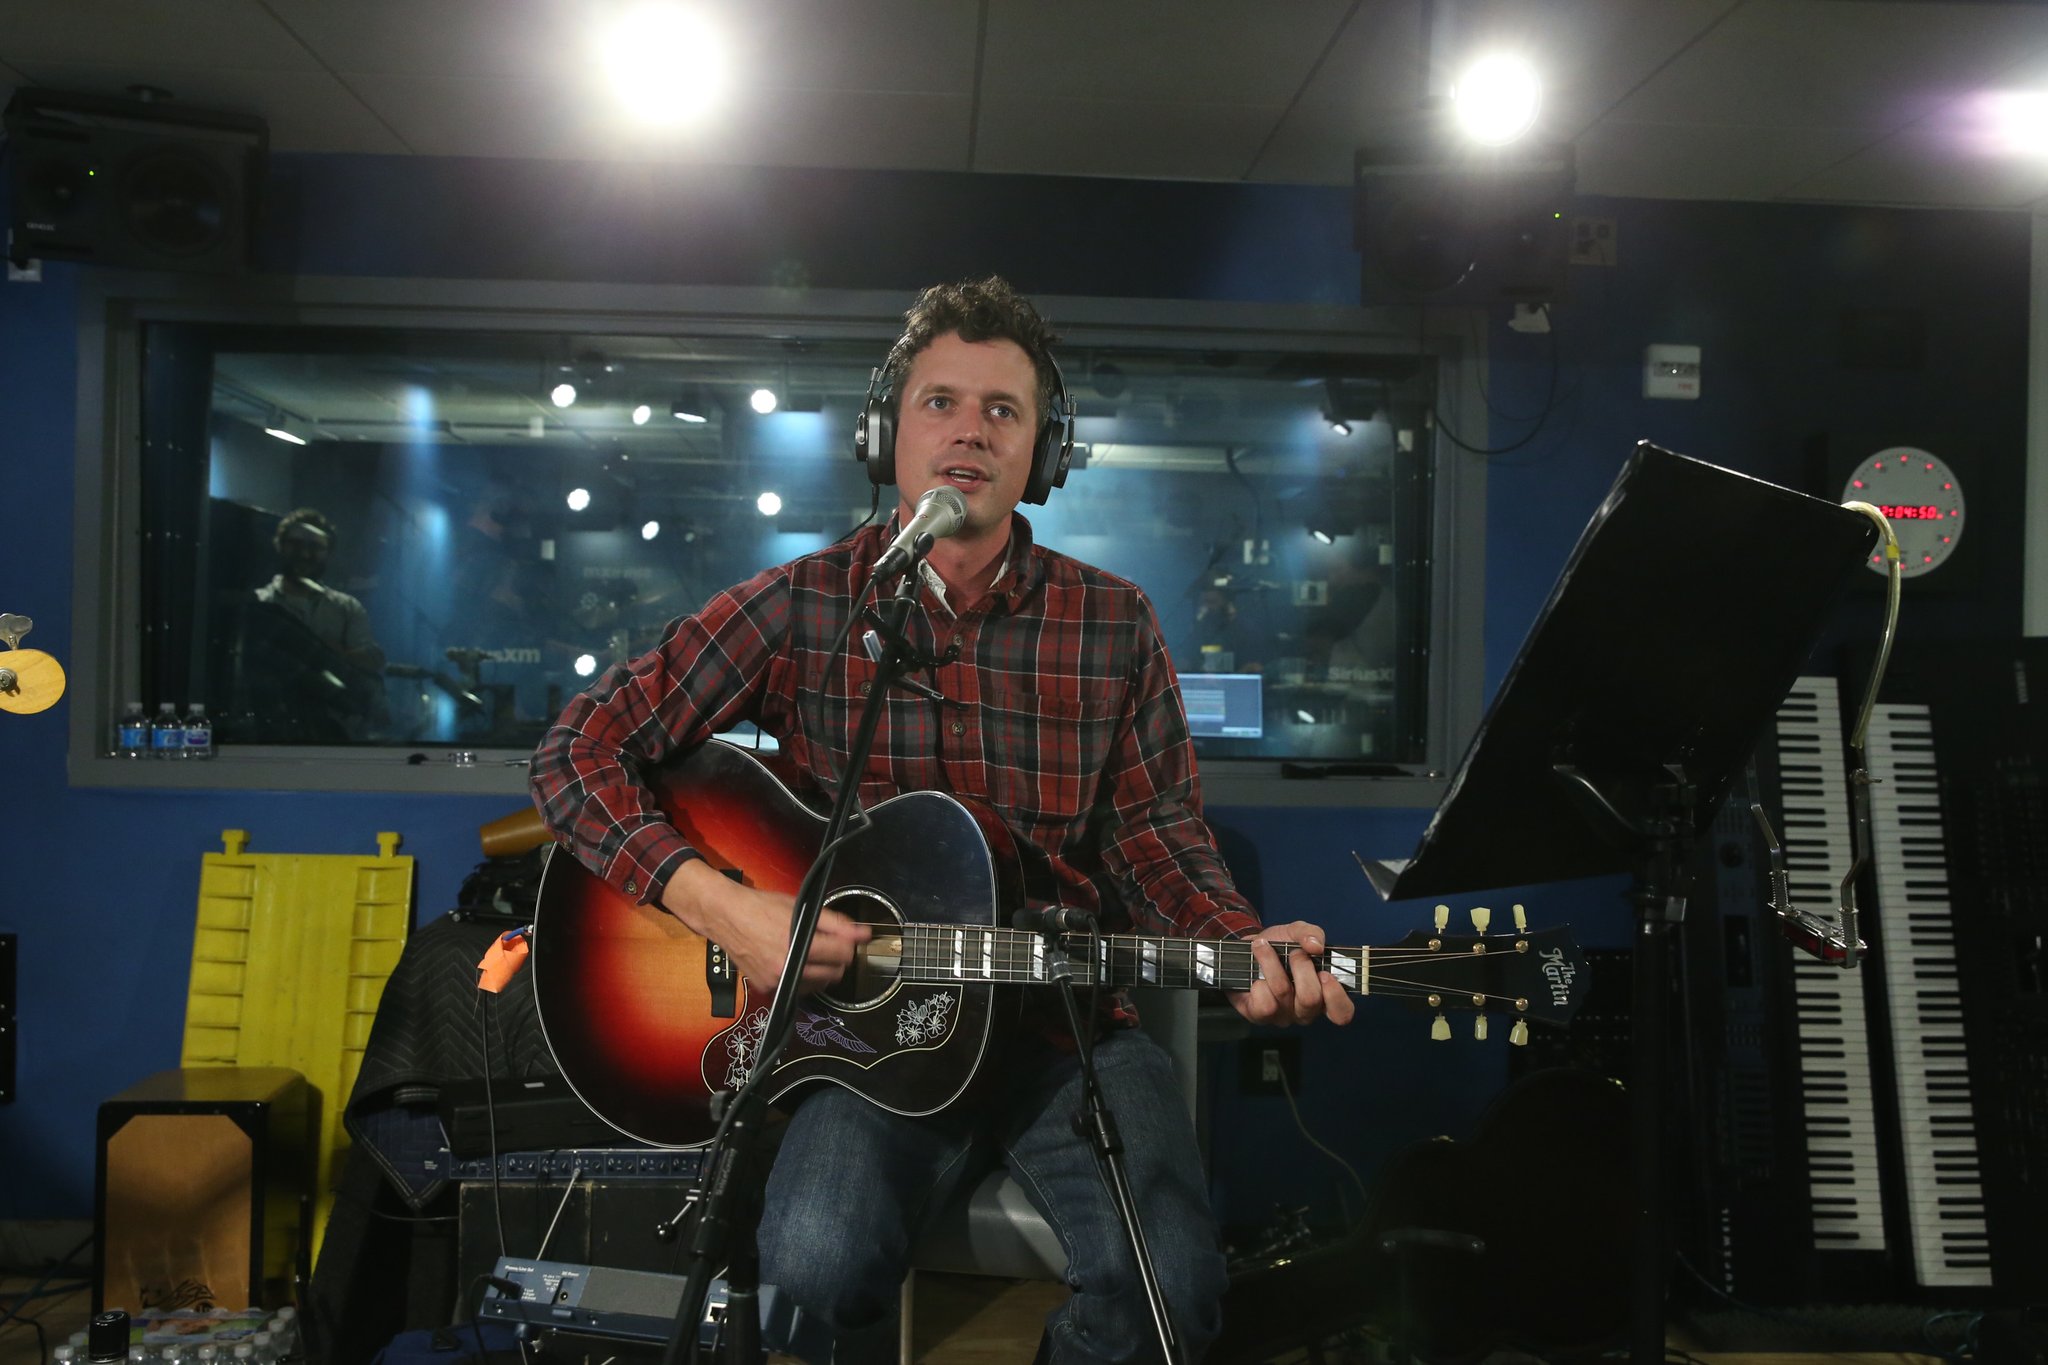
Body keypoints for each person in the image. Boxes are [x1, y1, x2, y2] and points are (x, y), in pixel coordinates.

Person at [529, 277, 1354, 1364]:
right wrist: (721, 904)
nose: (969, 429)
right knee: (813, 1265)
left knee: (1169, 1298)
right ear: (887, 431)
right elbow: (576, 749)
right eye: (940, 402)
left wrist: (1235, 938)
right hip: (870, 1039)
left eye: (1002, 411)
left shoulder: (1112, 622)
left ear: (1040, 454)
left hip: (1066, 1033)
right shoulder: (804, 604)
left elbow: (1155, 833)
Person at [242, 506, 387, 740]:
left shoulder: (346, 607)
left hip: (330, 733)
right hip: (268, 731)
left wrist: (332, 653)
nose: (305, 554)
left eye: (315, 547)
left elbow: (373, 659)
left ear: (328, 553)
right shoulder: (257, 602)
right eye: (296, 544)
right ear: (279, 545)